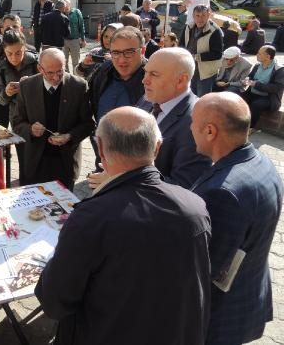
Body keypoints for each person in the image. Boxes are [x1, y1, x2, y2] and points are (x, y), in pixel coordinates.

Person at [36, 106, 211, 345]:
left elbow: (55, 302)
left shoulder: (91, 219)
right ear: (158, 148)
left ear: (100, 148)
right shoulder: (195, 206)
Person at [190, 93, 283, 345]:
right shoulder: (261, 162)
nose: (189, 127)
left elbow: (203, 268)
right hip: (247, 295)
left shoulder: (223, 192)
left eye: (192, 122)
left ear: (210, 131)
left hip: (220, 317)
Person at [11, 48, 94, 190]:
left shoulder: (79, 86)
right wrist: (30, 129)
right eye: (50, 73)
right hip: (36, 161)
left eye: (60, 71)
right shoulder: (27, 86)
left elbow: (88, 124)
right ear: (40, 68)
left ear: (65, 63)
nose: (56, 77)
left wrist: (69, 136)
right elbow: (17, 123)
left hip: (65, 161)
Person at [140, 47, 212, 188]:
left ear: (181, 80)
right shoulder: (148, 98)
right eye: (146, 72)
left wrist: (122, 179)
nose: (144, 80)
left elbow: (183, 186)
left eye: (154, 74)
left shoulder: (197, 123)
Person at [85, 26, 146, 172]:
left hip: (136, 164)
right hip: (103, 157)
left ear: (142, 51)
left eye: (129, 52)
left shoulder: (151, 79)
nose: (121, 60)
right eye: (116, 53)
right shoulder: (104, 71)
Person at [0, 29, 38, 183]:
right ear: (4, 51)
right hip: (17, 117)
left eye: (18, 53)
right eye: (9, 53)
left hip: (38, 114)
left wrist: (32, 84)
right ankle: (25, 185)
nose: (14, 57)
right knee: (24, 157)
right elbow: (0, 99)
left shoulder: (36, 61)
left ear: (24, 47)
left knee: (40, 156)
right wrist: (6, 92)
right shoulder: (1, 67)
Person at [180, 5, 224, 96]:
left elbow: (217, 54)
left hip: (206, 74)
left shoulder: (215, 31)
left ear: (208, 15)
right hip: (190, 70)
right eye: (198, 16)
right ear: (193, 16)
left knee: (202, 100)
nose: (200, 19)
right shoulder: (188, 27)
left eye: (203, 15)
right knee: (190, 98)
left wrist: (196, 57)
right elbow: (181, 45)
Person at [241, 45, 284, 129]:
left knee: (256, 105)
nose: (257, 55)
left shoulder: (279, 70)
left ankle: (249, 128)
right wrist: (246, 80)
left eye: (259, 53)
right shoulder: (257, 65)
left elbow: (276, 88)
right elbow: (250, 77)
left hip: (268, 98)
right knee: (239, 99)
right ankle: (237, 123)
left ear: (268, 56)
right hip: (253, 92)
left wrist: (256, 84)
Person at [63, 0, 86, 73]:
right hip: (64, 40)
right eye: (63, 4)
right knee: (64, 62)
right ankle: (66, 78)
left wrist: (83, 39)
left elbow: (81, 25)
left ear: (69, 4)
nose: (64, 6)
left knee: (75, 62)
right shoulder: (60, 13)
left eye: (65, 4)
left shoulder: (76, 12)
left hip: (75, 40)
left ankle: (75, 79)